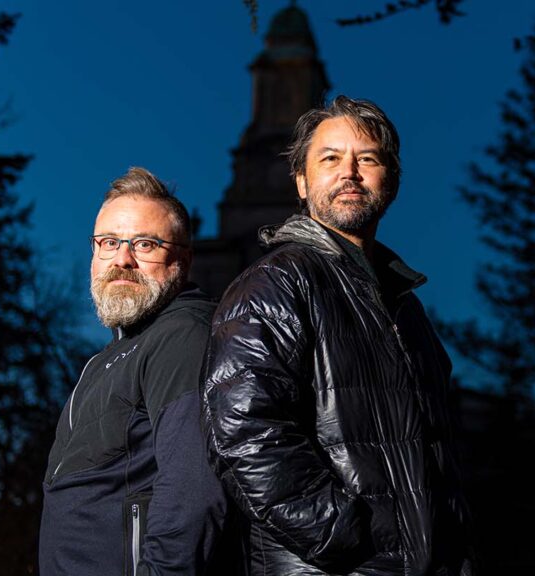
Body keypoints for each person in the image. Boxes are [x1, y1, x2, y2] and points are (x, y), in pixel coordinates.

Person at [203, 96, 475, 576]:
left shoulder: (405, 308)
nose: (349, 172)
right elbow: (244, 434)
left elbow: (440, 451)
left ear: (390, 180)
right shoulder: (276, 283)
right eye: (330, 159)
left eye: (367, 159)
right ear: (303, 182)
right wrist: (348, 539)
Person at [39, 167, 229, 576]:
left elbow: (192, 492)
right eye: (109, 242)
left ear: (181, 260)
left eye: (145, 244)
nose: (122, 259)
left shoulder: (181, 337)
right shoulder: (106, 358)